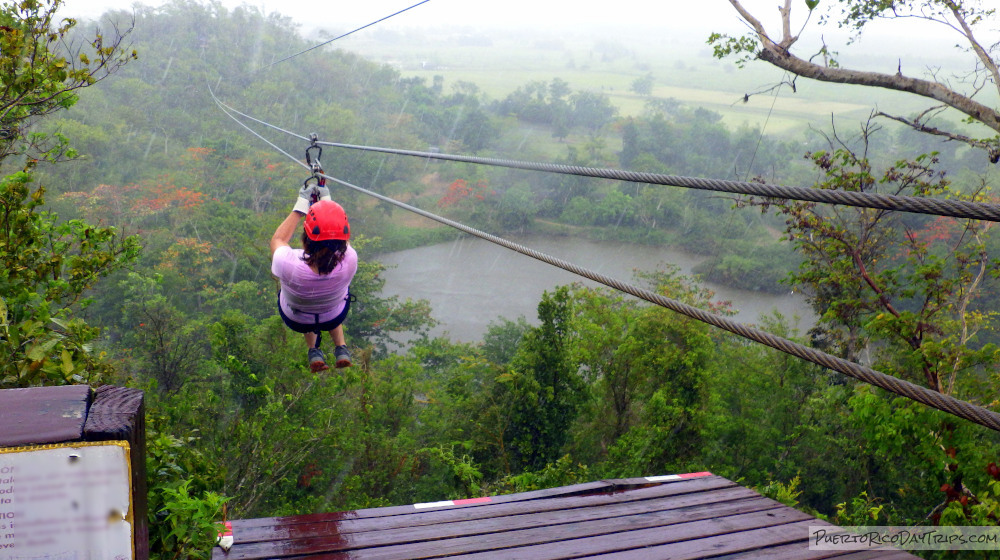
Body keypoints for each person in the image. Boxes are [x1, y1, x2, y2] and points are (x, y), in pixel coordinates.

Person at [270, 183, 358, 372]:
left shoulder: (288, 263)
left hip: (297, 318)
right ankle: (341, 348)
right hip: (334, 314)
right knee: (333, 300)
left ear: (305, 239)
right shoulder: (350, 259)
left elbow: (278, 240)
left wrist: (301, 206)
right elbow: (340, 235)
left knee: (305, 304)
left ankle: (313, 351)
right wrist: (327, 203)